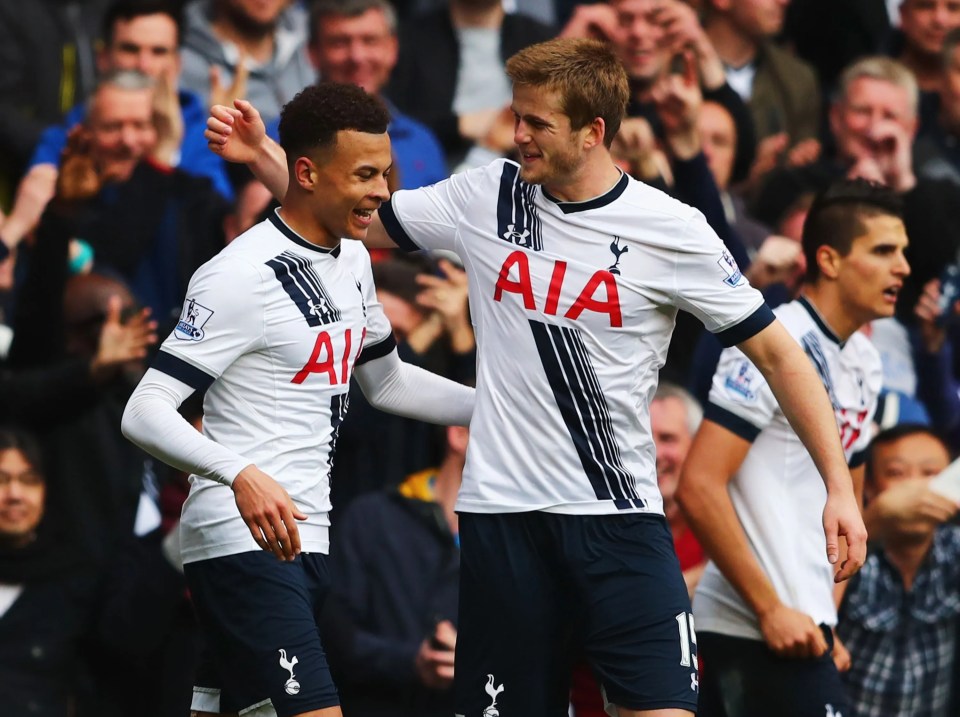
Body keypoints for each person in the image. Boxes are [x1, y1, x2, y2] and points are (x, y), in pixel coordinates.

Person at [205, 38, 867, 717]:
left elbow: (784, 355)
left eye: (537, 123)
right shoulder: (487, 193)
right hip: (503, 524)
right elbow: (353, 218)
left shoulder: (672, 229)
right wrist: (263, 155)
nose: (517, 134)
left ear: (593, 132)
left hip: (620, 521)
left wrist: (839, 487)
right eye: (516, 116)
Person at [122, 81, 474, 717]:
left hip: (307, 540)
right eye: (366, 174)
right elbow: (143, 411)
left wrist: (501, 408)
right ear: (307, 173)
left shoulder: (353, 261)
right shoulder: (238, 273)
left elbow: (387, 381)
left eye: (386, 173)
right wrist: (240, 473)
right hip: (242, 540)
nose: (384, 193)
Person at [677, 178, 910, 717]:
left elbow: (846, 503)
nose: (903, 266)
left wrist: (824, 620)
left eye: (903, 252)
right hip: (750, 623)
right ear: (828, 259)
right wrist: (771, 610)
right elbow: (699, 484)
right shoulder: (776, 341)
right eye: (883, 251)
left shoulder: (865, 362)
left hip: (801, 628)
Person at [0, 0, 234, 256]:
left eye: (158, 52)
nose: (144, 65)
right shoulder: (69, 138)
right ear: (103, 58)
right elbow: (41, 233)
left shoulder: (206, 135)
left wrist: (166, 155)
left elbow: (211, 233)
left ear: (177, 64)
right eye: (130, 49)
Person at [320, 424, 467, 717]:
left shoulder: (524, 542)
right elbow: (332, 632)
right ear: (459, 434)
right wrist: (412, 661)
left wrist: (471, 662)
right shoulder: (372, 518)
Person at [838, 424, 960, 717]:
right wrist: (875, 519)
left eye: (931, 474)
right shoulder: (840, 552)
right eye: (896, 473)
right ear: (867, 486)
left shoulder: (953, 550)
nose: (916, 488)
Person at [304, 0, 448, 190]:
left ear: (393, 48)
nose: (357, 56)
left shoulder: (422, 141)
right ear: (313, 53)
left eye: (370, 41)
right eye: (339, 42)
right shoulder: (279, 141)